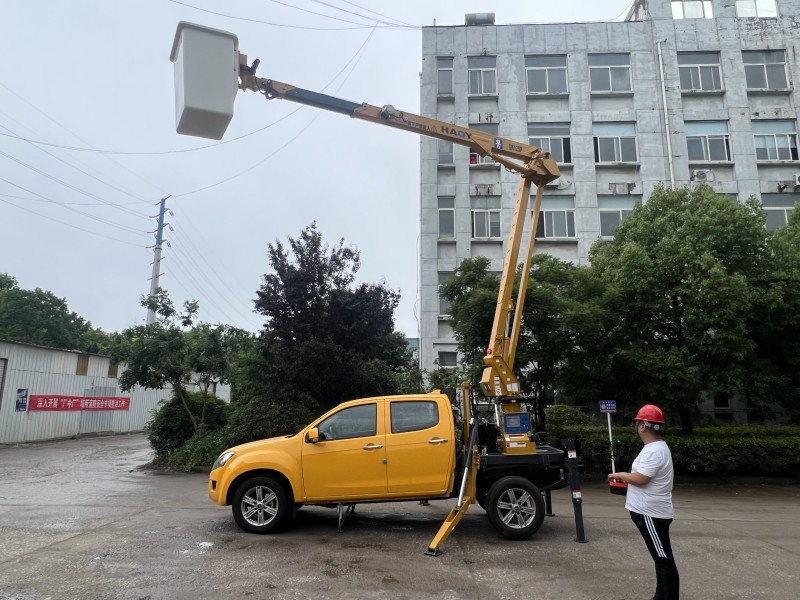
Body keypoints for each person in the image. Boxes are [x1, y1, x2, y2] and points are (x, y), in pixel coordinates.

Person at [608, 404, 679, 600]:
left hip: (651, 513)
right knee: (660, 558)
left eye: (638, 423)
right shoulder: (655, 447)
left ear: (642, 426)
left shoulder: (654, 450)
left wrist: (619, 474)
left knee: (664, 560)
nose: (637, 426)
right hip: (650, 512)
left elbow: (641, 479)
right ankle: (660, 596)